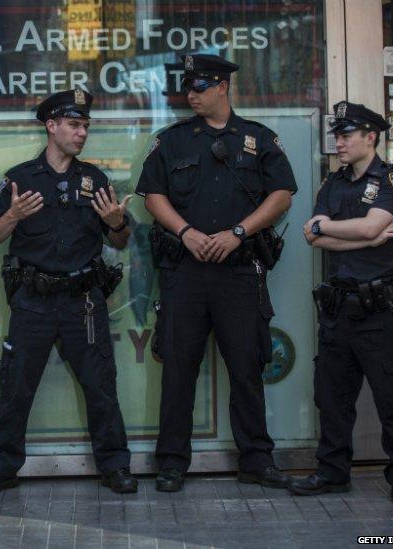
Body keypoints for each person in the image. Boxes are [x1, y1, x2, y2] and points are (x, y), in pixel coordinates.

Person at [134, 54, 298, 492]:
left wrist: (239, 232)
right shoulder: (172, 141)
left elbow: (282, 195)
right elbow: (152, 195)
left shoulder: (258, 139)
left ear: (222, 87)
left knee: (246, 368)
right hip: (185, 273)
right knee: (178, 369)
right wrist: (185, 232)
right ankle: (171, 462)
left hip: (239, 271)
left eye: (200, 87)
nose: (191, 95)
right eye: (188, 87)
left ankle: (256, 461)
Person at [0, 90, 136, 495]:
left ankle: (114, 466)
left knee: (101, 385)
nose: (82, 133)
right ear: (52, 126)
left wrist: (117, 223)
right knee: (16, 386)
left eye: (85, 126)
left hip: (83, 300)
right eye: (75, 125)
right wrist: (12, 215)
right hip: (33, 301)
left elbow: (120, 240)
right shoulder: (20, 179)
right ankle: (2, 467)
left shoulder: (94, 179)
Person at [291, 102, 393, 504]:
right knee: (332, 397)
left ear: (371, 137)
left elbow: (360, 224)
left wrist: (341, 229)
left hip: (381, 308)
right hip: (338, 307)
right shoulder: (334, 183)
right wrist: (367, 238)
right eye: (338, 135)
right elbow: (312, 236)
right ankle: (333, 472)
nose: (339, 142)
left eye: (347, 135)